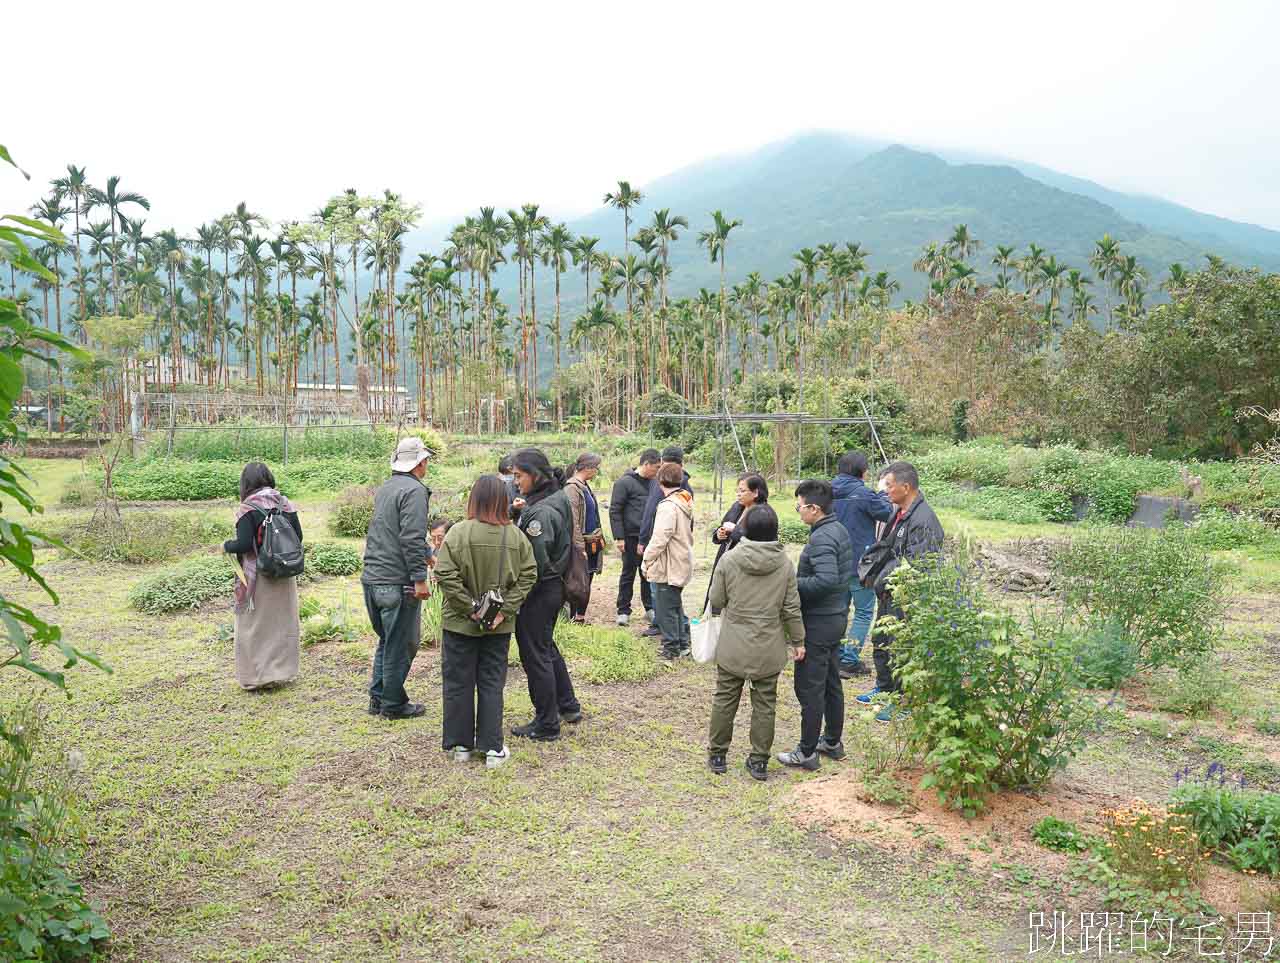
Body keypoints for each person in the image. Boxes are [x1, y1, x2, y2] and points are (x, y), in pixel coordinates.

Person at [434, 475, 538, 768]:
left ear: (474, 499)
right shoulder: (515, 537)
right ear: (503, 501)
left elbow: (444, 573)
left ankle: (461, 747)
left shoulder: (457, 533)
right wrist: (504, 610)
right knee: (492, 683)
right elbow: (530, 574)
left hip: (459, 624)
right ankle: (492, 749)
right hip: (499, 626)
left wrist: (469, 608)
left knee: (458, 683)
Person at [706, 504, 805, 782]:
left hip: (733, 641)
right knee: (765, 703)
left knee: (725, 698)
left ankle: (717, 755)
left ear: (744, 529)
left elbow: (716, 600)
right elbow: (791, 608)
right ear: (775, 530)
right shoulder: (785, 564)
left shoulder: (730, 559)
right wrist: (798, 640)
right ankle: (759, 761)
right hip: (768, 643)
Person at [855, 460, 945, 723]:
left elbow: (919, 566)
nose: (886, 491)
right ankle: (884, 689)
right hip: (888, 591)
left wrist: (893, 583)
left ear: (906, 487)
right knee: (882, 640)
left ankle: (905, 700)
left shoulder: (924, 519)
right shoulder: (900, 512)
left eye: (890, 486)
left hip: (906, 595)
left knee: (903, 647)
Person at [777, 479, 855, 771]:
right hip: (835, 617)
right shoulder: (836, 529)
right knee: (831, 682)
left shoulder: (822, 537)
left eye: (799, 506)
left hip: (820, 622)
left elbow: (825, 580)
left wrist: (789, 584)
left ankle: (807, 751)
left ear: (814, 507)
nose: (798, 511)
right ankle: (832, 742)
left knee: (810, 688)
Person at [510, 448, 582, 740]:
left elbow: (534, 563)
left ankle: (546, 723)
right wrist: (520, 511)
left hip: (539, 590)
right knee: (546, 647)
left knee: (535, 655)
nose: (515, 482)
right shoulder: (555, 495)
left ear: (535, 474)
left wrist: (515, 596)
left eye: (518, 476)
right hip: (554, 587)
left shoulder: (540, 512)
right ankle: (568, 705)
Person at [362, 436, 432, 720]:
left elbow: (390, 529)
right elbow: (411, 536)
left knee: (388, 641)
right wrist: (420, 578)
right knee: (402, 643)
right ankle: (393, 704)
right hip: (397, 581)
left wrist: (429, 553)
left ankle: (378, 698)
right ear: (420, 463)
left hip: (372, 578)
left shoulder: (387, 488)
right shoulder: (414, 491)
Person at [223, 462, 302, 691]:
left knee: (253, 626)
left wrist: (226, 545)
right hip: (284, 573)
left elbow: (244, 544)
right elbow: (298, 536)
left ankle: (256, 676)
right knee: (282, 623)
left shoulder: (248, 508)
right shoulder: (284, 502)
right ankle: (283, 670)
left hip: (257, 577)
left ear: (245, 483)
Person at [831, 451, 895, 679]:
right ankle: (849, 660)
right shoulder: (864, 494)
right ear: (860, 470)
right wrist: (882, 493)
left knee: (838, 610)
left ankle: (835, 655)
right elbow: (887, 512)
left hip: (833, 562)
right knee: (863, 612)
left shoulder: (826, 491)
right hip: (860, 565)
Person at [642, 462, 695, 660]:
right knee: (674, 604)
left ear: (659, 480)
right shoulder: (685, 499)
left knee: (665, 609)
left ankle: (671, 647)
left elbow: (660, 538)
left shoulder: (668, 506)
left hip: (669, 563)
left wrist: (647, 559)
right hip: (681, 559)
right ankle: (682, 644)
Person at [609, 448, 660, 627]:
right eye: (655, 467)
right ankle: (623, 610)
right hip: (630, 536)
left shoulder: (654, 483)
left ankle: (650, 608)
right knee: (628, 573)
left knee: (648, 573)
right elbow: (615, 510)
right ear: (646, 464)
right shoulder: (625, 483)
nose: (657, 471)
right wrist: (619, 537)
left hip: (649, 537)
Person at [707, 473, 769, 613]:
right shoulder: (737, 507)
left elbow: (756, 541)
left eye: (742, 491)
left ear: (755, 492)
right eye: (737, 491)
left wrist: (735, 530)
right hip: (725, 560)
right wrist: (719, 533)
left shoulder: (763, 514)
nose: (738, 494)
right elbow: (723, 526)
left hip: (743, 566)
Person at [563, 452, 605, 622]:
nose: (596, 471)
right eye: (595, 468)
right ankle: (572, 617)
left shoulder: (584, 486)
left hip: (592, 542)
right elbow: (574, 521)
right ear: (587, 468)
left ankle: (580, 617)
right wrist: (580, 548)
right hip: (582, 544)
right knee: (578, 581)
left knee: (587, 578)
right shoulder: (571, 489)